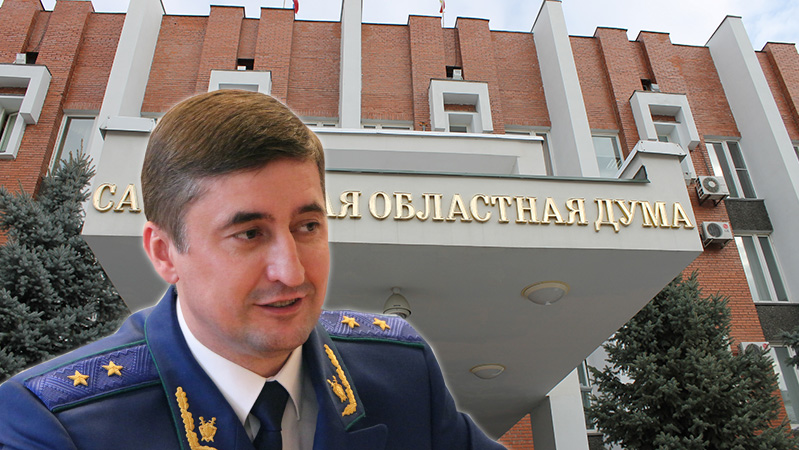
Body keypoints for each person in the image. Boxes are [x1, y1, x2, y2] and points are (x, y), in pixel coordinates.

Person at [0, 90, 505, 449]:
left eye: (307, 226)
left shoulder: (400, 370)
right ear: (165, 253)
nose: (291, 272)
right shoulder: (54, 423)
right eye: (249, 234)